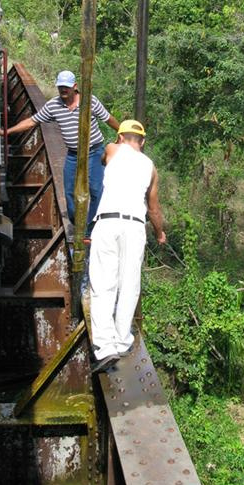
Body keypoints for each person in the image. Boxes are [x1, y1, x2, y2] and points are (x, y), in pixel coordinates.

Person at [89, 119, 166, 373]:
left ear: (120, 137)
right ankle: (123, 340)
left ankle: (105, 347)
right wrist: (160, 233)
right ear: (142, 142)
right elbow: (153, 208)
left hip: (109, 222)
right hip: (135, 226)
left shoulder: (113, 149)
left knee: (103, 284)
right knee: (130, 284)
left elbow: (103, 159)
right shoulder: (151, 168)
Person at [4, 70, 120, 232]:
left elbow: (108, 118)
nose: (63, 90)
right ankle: (77, 223)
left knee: (96, 190)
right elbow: (32, 121)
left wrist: (122, 133)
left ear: (74, 87)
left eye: (66, 87)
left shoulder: (89, 102)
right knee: (70, 192)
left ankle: (91, 228)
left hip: (94, 152)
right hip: (73, 154)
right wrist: (8, 132)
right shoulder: (54, 105)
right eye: (60, 87)